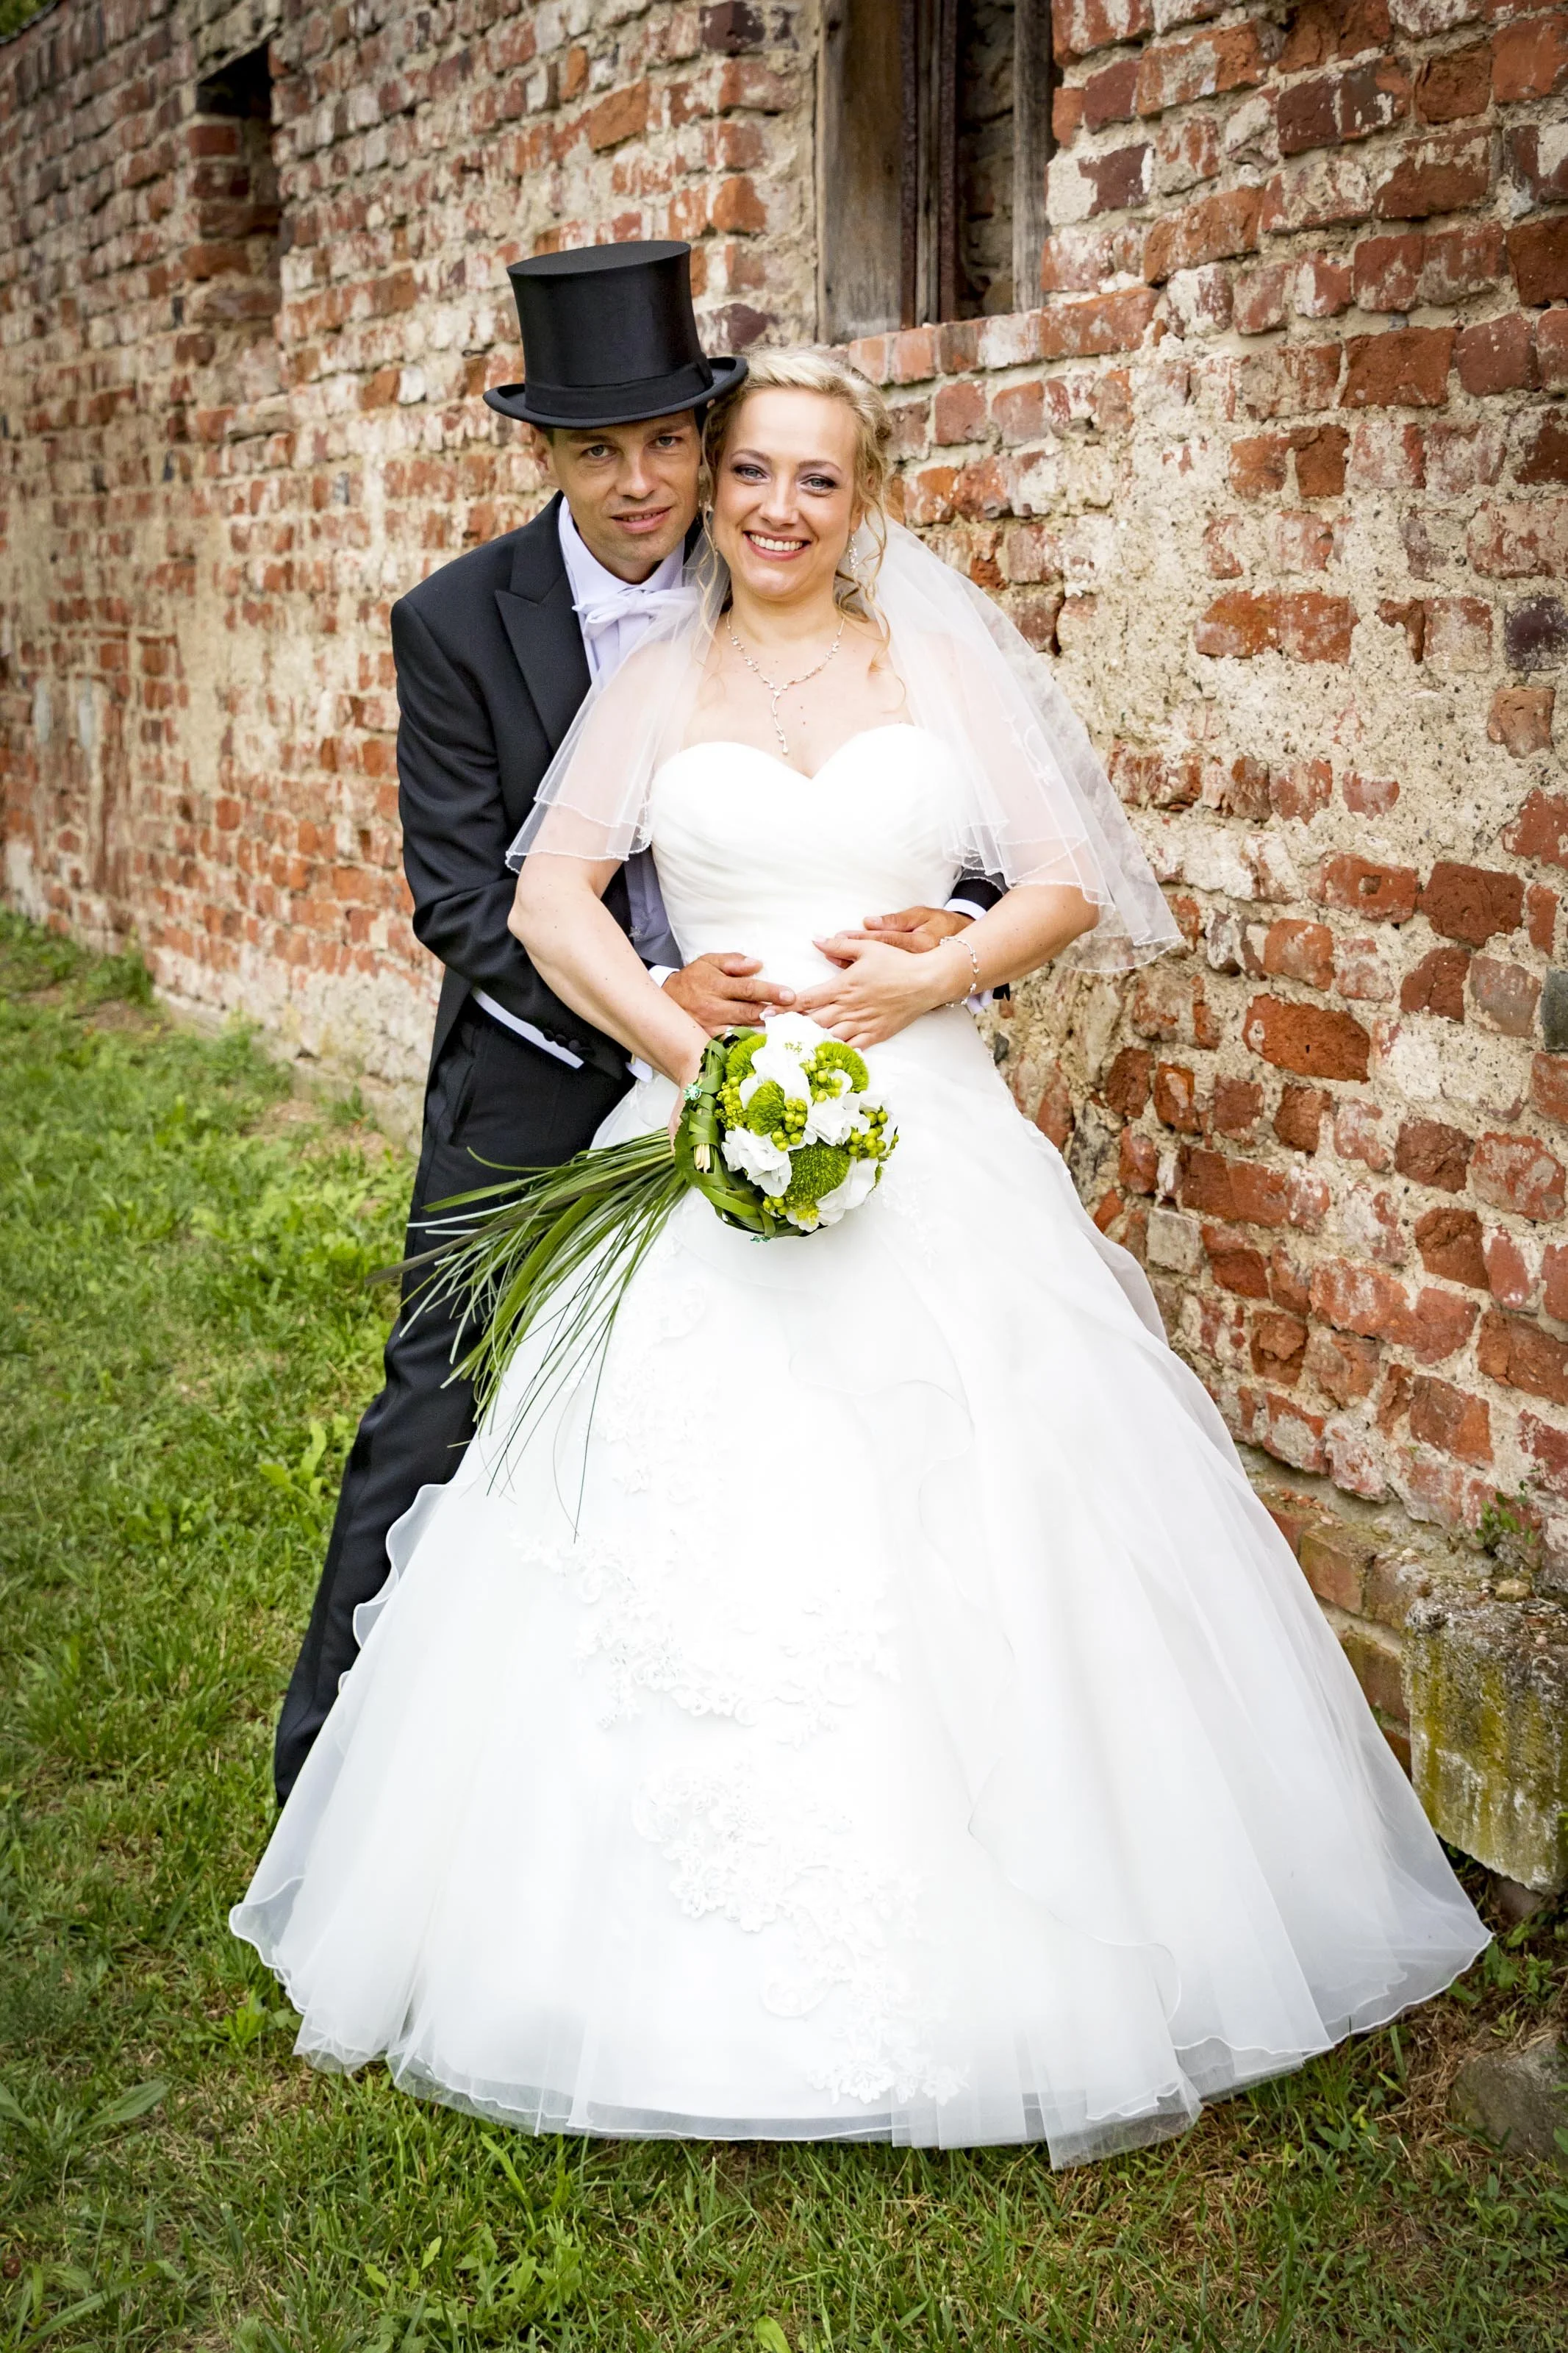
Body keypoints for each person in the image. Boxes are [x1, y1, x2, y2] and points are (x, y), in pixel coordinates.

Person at [235, 351, 1488, 2163]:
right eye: (750, 473)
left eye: (817, 481)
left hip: (934, 1129)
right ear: (713, 483)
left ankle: (1032, 1940)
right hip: (716, 1116)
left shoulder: (936, 665)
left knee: (993, 1487)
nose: (774, 509)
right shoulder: (656, 678)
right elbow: (538, 900)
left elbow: (1063, 879)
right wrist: (690, 1052)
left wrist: (933, 972)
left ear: (867, 495)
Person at [271, 247, 992, 1804]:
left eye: (670, 440)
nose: (644, 480)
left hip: (827, 1063)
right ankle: (328, 1778)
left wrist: (947, 931)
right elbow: (467, 901)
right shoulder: (459, 622)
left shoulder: (791, 577)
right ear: (544, 457)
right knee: (441, 1390)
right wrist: (656, 1023)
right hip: (541, 1076)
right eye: (599, 449)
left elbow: (949, 816)